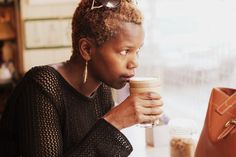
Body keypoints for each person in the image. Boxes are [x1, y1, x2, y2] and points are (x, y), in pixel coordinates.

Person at [0, 0, 163, 156]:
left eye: (137, 51)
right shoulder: (42, 86)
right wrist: (113, 122)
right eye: (124, 51)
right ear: (87, 49)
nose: (135, 63)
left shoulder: (103, 90)